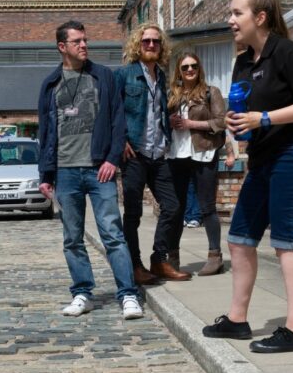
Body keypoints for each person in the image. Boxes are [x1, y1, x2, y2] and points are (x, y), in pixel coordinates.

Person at [202, 0, 293, 353]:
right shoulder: (243, 61)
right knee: (239, 240)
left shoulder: (289, 53)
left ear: (260, 17)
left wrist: (265, 118)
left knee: (287, 242)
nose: (230, 19)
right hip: (261, 158)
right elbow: (245, 110)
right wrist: (235, 121)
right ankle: (237, 320)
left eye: (237, 13)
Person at [37, 20, 142, 320]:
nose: (84, 45)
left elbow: (118, 120)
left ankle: (128, 295)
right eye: (77, 41)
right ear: (62, 47)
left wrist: (112, 159)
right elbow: (45, 132)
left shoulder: (103, 76)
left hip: (100, 170)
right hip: (65, 172)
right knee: (72, 238)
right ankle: (83, 293)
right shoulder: (50, 84)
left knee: (113, 234)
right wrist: (46, 174)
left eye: (85, 40)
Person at [114, 24, 190, 283]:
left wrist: (169, 123)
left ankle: (159, 260)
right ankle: (135, 266)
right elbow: (113, 110)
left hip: (158, 153)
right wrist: (121, 140)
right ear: (138, 44)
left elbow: (155, 112)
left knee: (173, 206)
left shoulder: (162, 76)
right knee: (133, 213)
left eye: (155, 41)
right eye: (146, 41)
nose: (151, 45)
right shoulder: (124, 75)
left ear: (161, 46)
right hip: (134, 153)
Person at [165, 53, 226, 276]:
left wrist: (191, 123)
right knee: (176, 209)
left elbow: (221, 122)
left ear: (199, 68)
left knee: (207, 207)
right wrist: (169, 121)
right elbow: (160, 121)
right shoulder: (172, 95)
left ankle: (215, 256)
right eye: (185, 67)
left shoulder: (211, 92)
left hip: (204, 153)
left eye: (193, 66)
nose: (189, 70)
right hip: (177, 155)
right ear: (179, 72)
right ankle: (173, 257)